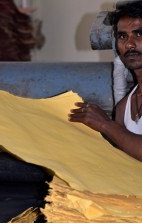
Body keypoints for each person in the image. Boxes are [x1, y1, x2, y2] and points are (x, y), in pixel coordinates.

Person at [68, 0, 142, 162]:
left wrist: (105, 125)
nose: (129, 44)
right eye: (122, 36)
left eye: (139, 34)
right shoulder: (124, 107)